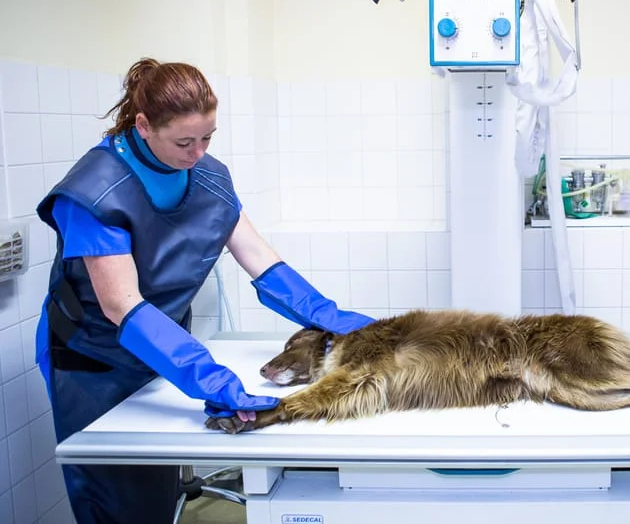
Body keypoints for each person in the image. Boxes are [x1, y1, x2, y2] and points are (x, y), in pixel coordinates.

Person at [34, 58, 376, 524]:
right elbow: (121, 304)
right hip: (94, 362)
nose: (197, 154)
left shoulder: (209, 175)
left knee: (155, 493)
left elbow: (260, 259)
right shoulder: (95, 192)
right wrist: (207, 377)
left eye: (207, 138)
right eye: (184, 142)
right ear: (143, 126)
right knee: (116, 499)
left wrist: (327, 314)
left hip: (160, 350)